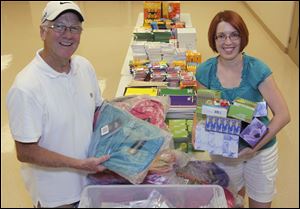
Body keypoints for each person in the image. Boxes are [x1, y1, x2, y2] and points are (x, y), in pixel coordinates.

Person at [6, 1, 110, 207]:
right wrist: (79, 165)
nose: (68, 35)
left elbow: (98, 110)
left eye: (74, 28)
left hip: (92, 183)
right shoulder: (26, 87)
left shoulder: (84, 67)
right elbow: (25, 151)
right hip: (58, 197)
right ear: (43, 32)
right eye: (59, 26)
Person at [193, 10, 290, 208]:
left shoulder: (257, 69)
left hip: (261, 151)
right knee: (232, 202)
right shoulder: (206, 71)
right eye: (221, 36)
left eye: (234, 34)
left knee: (260, 203)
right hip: (224, 151)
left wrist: (254, 147)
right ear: (214, 39)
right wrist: (197, 129)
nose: (228, 42)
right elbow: (202, 110)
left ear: (242, 37)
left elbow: (283, 115)